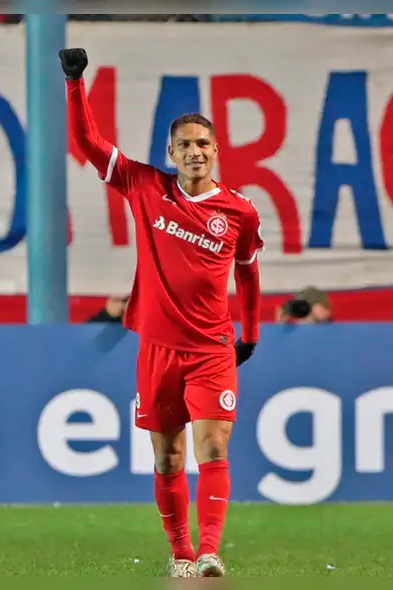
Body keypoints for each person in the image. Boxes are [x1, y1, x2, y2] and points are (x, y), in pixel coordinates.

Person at [61, 48, 264, 578]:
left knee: (213, 445)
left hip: (212, 348)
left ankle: (210, 551)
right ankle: (180, 555)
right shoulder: (145, 186)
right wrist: (75, 83)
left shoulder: (240, 212)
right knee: (168, 457)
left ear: (216, 150)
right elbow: (87, 144)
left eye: (203, 144)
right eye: (185, 145)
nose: (195, 152)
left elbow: (247, 272)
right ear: (170, 153)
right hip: (157, 347)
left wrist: (250, 333)